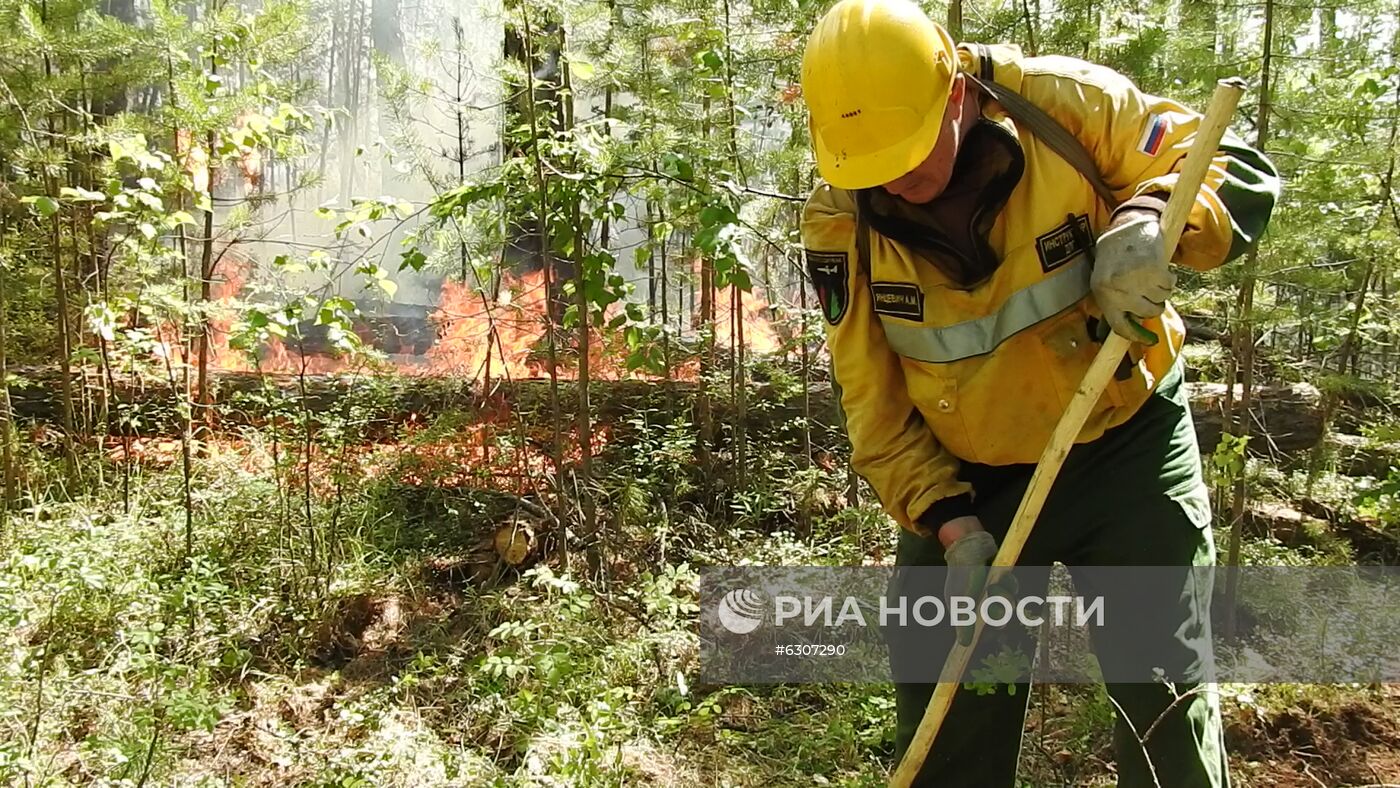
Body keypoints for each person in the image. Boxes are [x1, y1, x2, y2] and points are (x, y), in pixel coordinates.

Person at [797, 0, 1280, 785]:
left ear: (956, 94)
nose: (897, 182)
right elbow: (872, 402)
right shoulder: (839, 223)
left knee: (1163, 691)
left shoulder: (1066, 107)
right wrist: (950, 524)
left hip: (1126, 443)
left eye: (911, 153)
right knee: (947, 706)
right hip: (967, 479)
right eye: (872, 163)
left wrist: (1154, 215)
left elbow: (1228, 165)